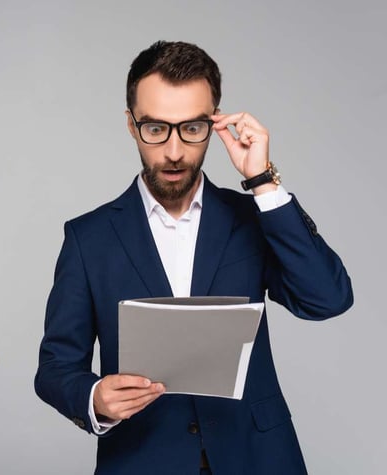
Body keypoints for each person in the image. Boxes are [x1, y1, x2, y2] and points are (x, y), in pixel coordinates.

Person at [34, 41, 353, 474]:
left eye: (192, 129)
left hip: (257, 458)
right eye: (155, 129)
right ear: (131, 125)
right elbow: (55, 367)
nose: (174, 150)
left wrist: (263, 181)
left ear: (214, 122)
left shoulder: (251, 217)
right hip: (143, 458)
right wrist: (96, 399)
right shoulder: (88, 238)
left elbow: (327, 298)